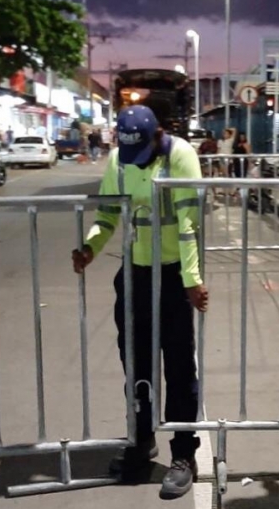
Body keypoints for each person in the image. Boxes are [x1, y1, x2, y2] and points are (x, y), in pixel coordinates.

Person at [71, 105, 208, 500]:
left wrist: (191, 281)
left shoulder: (180, 155)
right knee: (136, 364)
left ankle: (184, 455)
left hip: (173, 276)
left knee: (180, 368)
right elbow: (109, 214)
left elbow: (188, 223)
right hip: (135, 275)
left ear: (158, 134)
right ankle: (141, 439)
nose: (134, 159)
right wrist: (90, 247)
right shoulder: (120, 157)